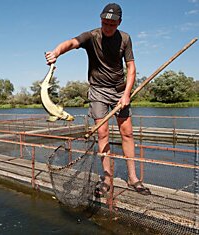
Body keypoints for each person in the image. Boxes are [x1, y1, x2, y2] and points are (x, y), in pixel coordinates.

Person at [45, 3, 151, 196]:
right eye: (104, 22)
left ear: (119, 22)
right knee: (102, 134)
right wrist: (56, 52)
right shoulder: (91, 36)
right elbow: (70, 42)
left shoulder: (125, 39)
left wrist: (126, 93)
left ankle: (133, 178)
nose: (107, 27)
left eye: (112, 23)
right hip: (98, 91)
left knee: (127, 133)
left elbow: (131, 69)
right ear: (100, 20)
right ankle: (107, 179)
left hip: (119, 90)